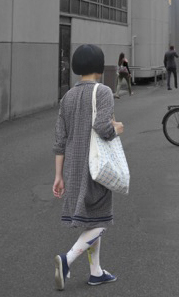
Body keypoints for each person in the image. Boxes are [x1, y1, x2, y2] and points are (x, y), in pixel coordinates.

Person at [53, 44, 124, 290]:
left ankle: (96, 272)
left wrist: (58, 175)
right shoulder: (103, 92)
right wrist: (117, 129)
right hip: (95, 166)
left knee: (93, 219)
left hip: (73, 167)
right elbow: (103, 128)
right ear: (99, 66)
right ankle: (67, 259)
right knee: (101, 219)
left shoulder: (67, 97)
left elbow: (60, 139)